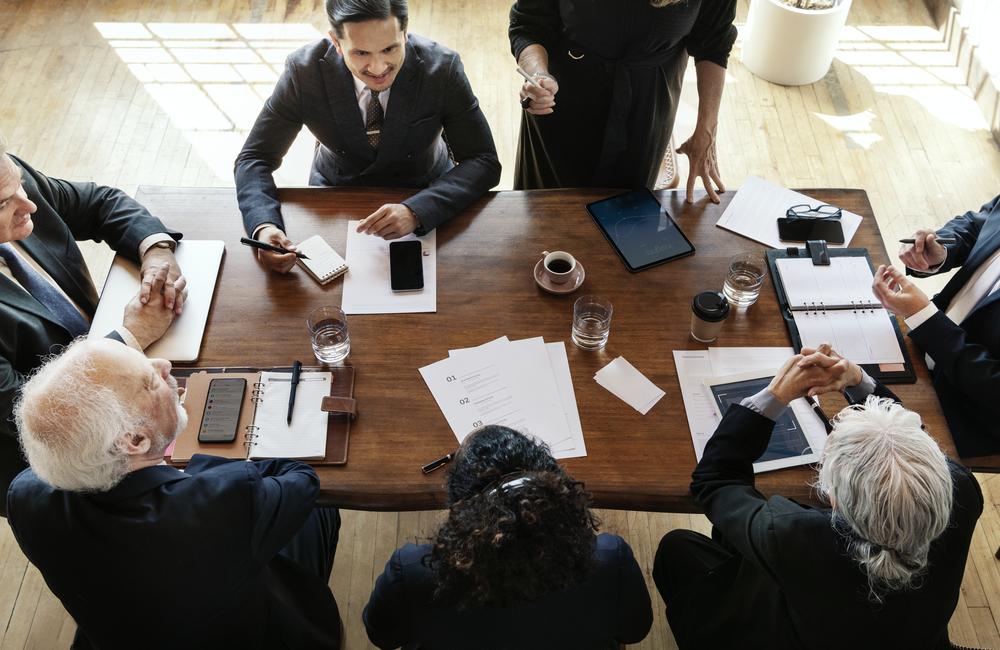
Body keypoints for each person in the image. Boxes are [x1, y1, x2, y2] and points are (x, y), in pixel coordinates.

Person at [7, 339, 343, 650]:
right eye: (149, 383)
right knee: (321, 511)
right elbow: (301, 478)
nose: (163, 365)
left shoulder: (23, 496)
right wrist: (190, 473)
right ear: (135, 441)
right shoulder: (220, 500)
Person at [653, 346, 983, 650]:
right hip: (909, 632)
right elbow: (914, 444)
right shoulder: (963, 490)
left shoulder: (791, 536)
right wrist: (859, 382)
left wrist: (775, 395)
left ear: (835, 499)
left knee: (677, 548)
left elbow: (713, 480)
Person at [236, 0, 501, 273]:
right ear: (336, 43)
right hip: (334, 194)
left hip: (426, 189)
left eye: (389, 48)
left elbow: (484, 162)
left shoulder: (442, 68)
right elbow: (254, 157)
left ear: (404, 33)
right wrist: (264, 226)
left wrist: (417, 210)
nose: (378, 67)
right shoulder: (304, 73)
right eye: (361, 53)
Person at [0, 131, 186, 517]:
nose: (29, 205)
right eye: (5, 203)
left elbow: (100, 203)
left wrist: (155, 251)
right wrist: (132, 338)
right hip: (66, 459)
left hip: (118, 372)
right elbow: (29, 407)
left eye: (19, 183)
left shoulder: (12, 183)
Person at [363, 425, 652, 649]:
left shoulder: (413, 570)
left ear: (462, 511)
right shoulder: (610, 559)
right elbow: (634, 630)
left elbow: (382, 635)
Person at [509, 0, 736, 200]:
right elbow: (529, 24)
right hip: (559, 101)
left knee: (626, 218)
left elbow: (714, 42)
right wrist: (538, 75)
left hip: (645, 114)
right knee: (546, 213)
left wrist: (706, 129)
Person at [871, 194, 1000, 457]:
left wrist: (924, 318)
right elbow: (981, 223)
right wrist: (941, 249)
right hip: (929, 339)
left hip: (965, 411)